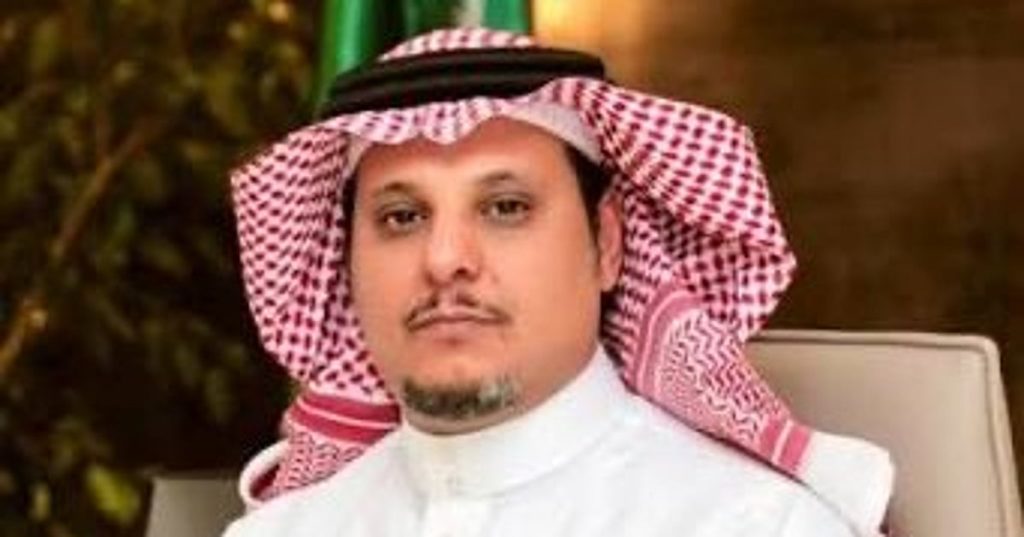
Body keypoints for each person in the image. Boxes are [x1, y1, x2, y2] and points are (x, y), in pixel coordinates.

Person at [223, 28, 893, 537]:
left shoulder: (756, 525)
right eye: (402, 217)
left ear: (608, 245)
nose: (445, 258)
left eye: (505, 207)